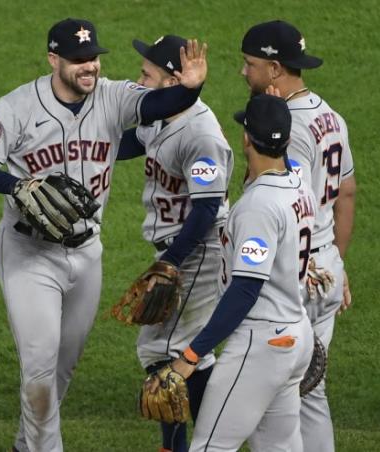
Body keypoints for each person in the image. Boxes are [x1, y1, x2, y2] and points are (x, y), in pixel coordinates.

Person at [0, 18, 207, 452]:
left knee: (62, 368)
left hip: (87, 253)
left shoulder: (113, 97)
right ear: (54, 59)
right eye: (77, 60)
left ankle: (27, 444)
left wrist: (190, 87)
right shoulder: (18, 106)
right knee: (38, 365)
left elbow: (163, 105)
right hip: (27, 251)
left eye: (92, 57)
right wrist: (15, 186)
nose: (88, 66)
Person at [153, 94, 317, 451]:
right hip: (295, 333)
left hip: (263, 341)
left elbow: (244, 291)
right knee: (281, 447)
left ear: (245, 139)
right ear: (287, 140)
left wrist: (190, 357)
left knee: (209, 446)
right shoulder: (300, 184)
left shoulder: (258, 206)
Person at [240, 20, 356, 451]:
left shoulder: (291, 126)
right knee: (310, 391)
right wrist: (337, 263)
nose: (243, 72)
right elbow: (346, 192)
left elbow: (290, 207)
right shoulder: (330, 115)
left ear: (274, 69)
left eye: (249, 64)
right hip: (325, 264)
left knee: (269, 391)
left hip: (298, 272)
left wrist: (297, 269)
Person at [116, 34, 233, 452]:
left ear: (170, 81)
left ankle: (185, 446)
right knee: (188, 353)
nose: (137, 80)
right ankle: (205, 444)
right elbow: (130, 142)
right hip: (180, 251)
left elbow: (205, 210)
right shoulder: (161, 117)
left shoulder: (201, 136)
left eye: (145, 75)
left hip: (198, 251)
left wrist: (169, 263)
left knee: (162, 353)